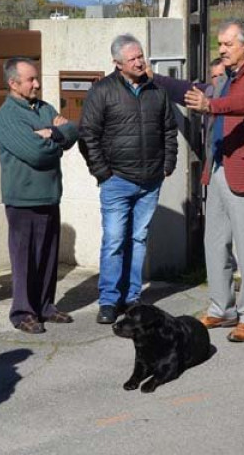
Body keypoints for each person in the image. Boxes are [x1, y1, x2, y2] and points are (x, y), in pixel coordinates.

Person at [183, 19, 244, 342]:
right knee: (215, 243)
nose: (221, 49)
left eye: (227, 44)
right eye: (220, 44)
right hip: (221, 168)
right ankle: (221, 308)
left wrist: (212, 105)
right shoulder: (229, 77)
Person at [78, 33, 178, 324]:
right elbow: (88, 136)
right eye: (133, 58)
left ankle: (132, 298)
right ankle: (109, 300)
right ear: (118, 63)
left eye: (141, 56)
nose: (139, 62)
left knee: (138, 239)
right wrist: (103, 174)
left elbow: (169, 129)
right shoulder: (102, 91)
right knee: (114, 241)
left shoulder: (155, 90)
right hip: (117, 180)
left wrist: (167, 164)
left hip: (150, 180)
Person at [0, 58, 79, 334]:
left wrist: (49, 133)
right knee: (24, 258)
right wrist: (56, 140)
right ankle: (22, 312)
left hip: (49, 194)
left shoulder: (44, 108)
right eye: (30, 80)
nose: (37, 84)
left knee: (48, 255)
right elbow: (36, 154)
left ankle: (45, 306)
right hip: (23, 198)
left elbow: (72, 130)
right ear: (13, 83)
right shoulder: (8, 115)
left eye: (36, 78)